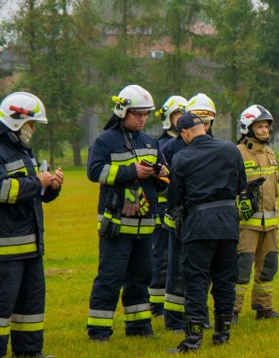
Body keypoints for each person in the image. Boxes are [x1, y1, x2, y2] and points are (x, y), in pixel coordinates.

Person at [86, 85, 165, 341]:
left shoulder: (151, 142)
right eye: (138, 114)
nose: (143, 119)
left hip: (144, 226)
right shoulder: (105, 140)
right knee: (110, 277)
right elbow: (94, 172)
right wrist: (132, 172)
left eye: (146, 115)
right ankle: (99, 331)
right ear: (123, 112)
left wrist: (161, 175)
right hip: (116, 226)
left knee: (141, 278)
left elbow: (163, 174)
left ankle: (140, 328)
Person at [167, 113, 246, 353]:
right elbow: (241, 185)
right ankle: (222, 334)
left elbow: (175, 198)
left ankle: (193, 340)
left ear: (184, 133)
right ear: (203, 127)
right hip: (228, 222)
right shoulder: (231, 149)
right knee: (225, 280)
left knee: (196, 282)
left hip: (199, 224)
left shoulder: (182, 156)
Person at [0, 92, 63, 358]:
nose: (34, 129)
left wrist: (52, 186)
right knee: (2, 306)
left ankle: (28, 352)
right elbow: (3, 190)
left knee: (31, 305)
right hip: (5, 248)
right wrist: (38, 182)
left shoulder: (22, 148)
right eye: (31, 123)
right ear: (17, 120)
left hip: (31, 243)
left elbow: (34, 193)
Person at [161, 93, 216, 331]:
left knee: (204, 270)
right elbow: (167, 186)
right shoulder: (171, 148)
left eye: (208, 121)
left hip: (205, 220)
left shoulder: (217, 146)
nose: (203, 125)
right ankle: (173, 320)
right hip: (179, 218)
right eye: (199, 120)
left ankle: (199, 315)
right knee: (177, 270)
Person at [233, 105, 279, 321]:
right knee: (241, 268)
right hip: (247, 224)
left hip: (270, 224)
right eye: (260, 126)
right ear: (248, 128)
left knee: (269, 266)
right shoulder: (237, 153)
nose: (265, 130)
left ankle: (264, 308)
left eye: (266, 126)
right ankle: (231, 311)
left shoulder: (270, 153)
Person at [150, 95, 186, 319]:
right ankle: (156, 305)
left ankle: (172, 303)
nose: (181, 118)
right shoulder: (162, 145)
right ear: (168, 118)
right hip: (161, 209)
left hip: (178, 210)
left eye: (183, 114)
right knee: (162, 258)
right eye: (176, 115)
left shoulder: (186, 142)